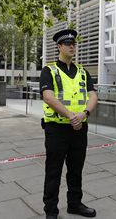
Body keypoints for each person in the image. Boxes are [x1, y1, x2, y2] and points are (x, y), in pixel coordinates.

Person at [40, 29, 98, 219]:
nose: (72, 46)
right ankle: (51, 210)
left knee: (76, 170)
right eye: (67, 44)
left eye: (74, 43)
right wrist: (71, 116)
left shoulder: (82, 72)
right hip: (57, 129)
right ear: (59, 46)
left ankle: (74, 204)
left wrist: (84, 114)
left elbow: (93, 95)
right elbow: (48, 97)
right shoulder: (49, 70)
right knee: (53, 171)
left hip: (79, 129)